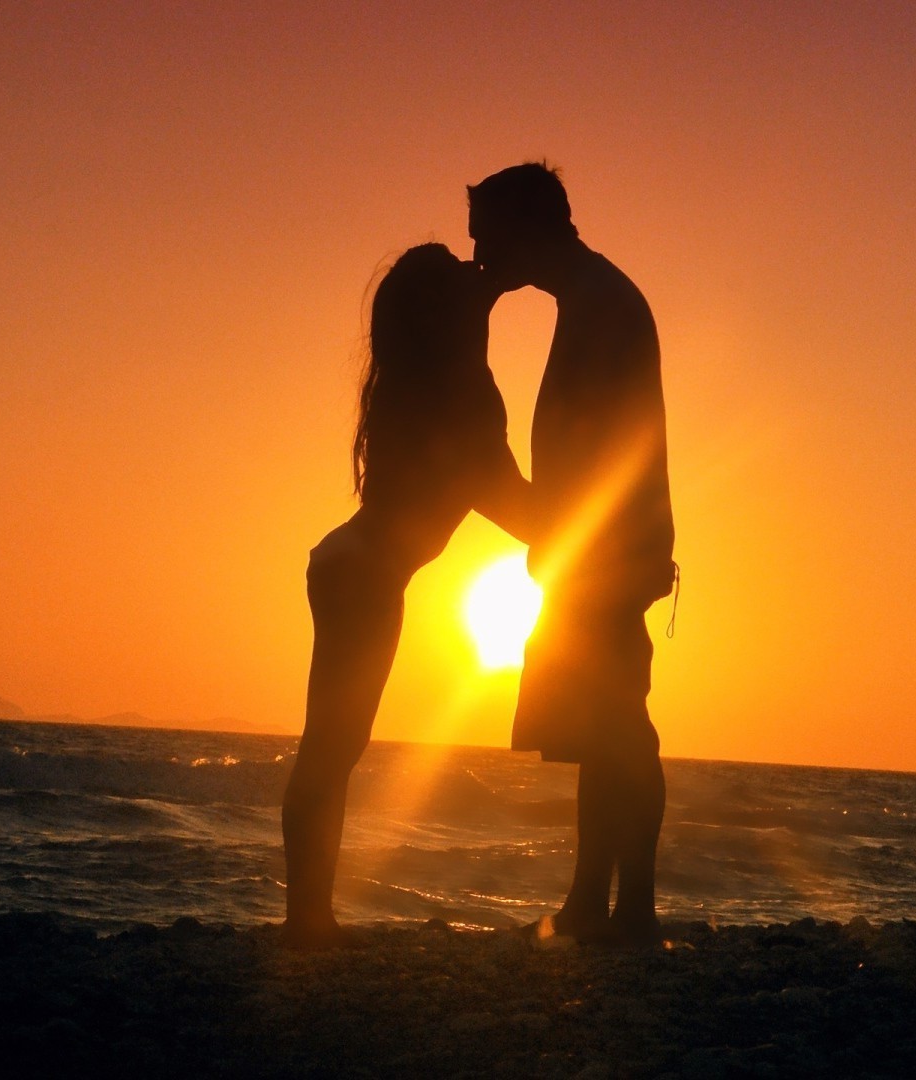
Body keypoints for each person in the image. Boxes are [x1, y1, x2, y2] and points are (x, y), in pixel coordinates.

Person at [281, 243, 529, 948]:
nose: (474, 273)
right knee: (332, 753)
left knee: (329, 751)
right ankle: (307, 922)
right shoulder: (465, 399)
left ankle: (308, 917)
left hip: (349, 564)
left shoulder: (414, 384)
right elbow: (513, 504)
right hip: (364, 577)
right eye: (461, 276)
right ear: (447, 316)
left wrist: (484, 295)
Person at [468, 163, 677, 947]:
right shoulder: (590, 298)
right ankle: (597, 904)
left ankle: (633, 910)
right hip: (595, 549)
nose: (481, 254)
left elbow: (606, 450)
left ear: (527, 228)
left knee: (622, 726)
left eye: (488, 237)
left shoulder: (601, 305)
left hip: (607, 552)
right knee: (605, 727)